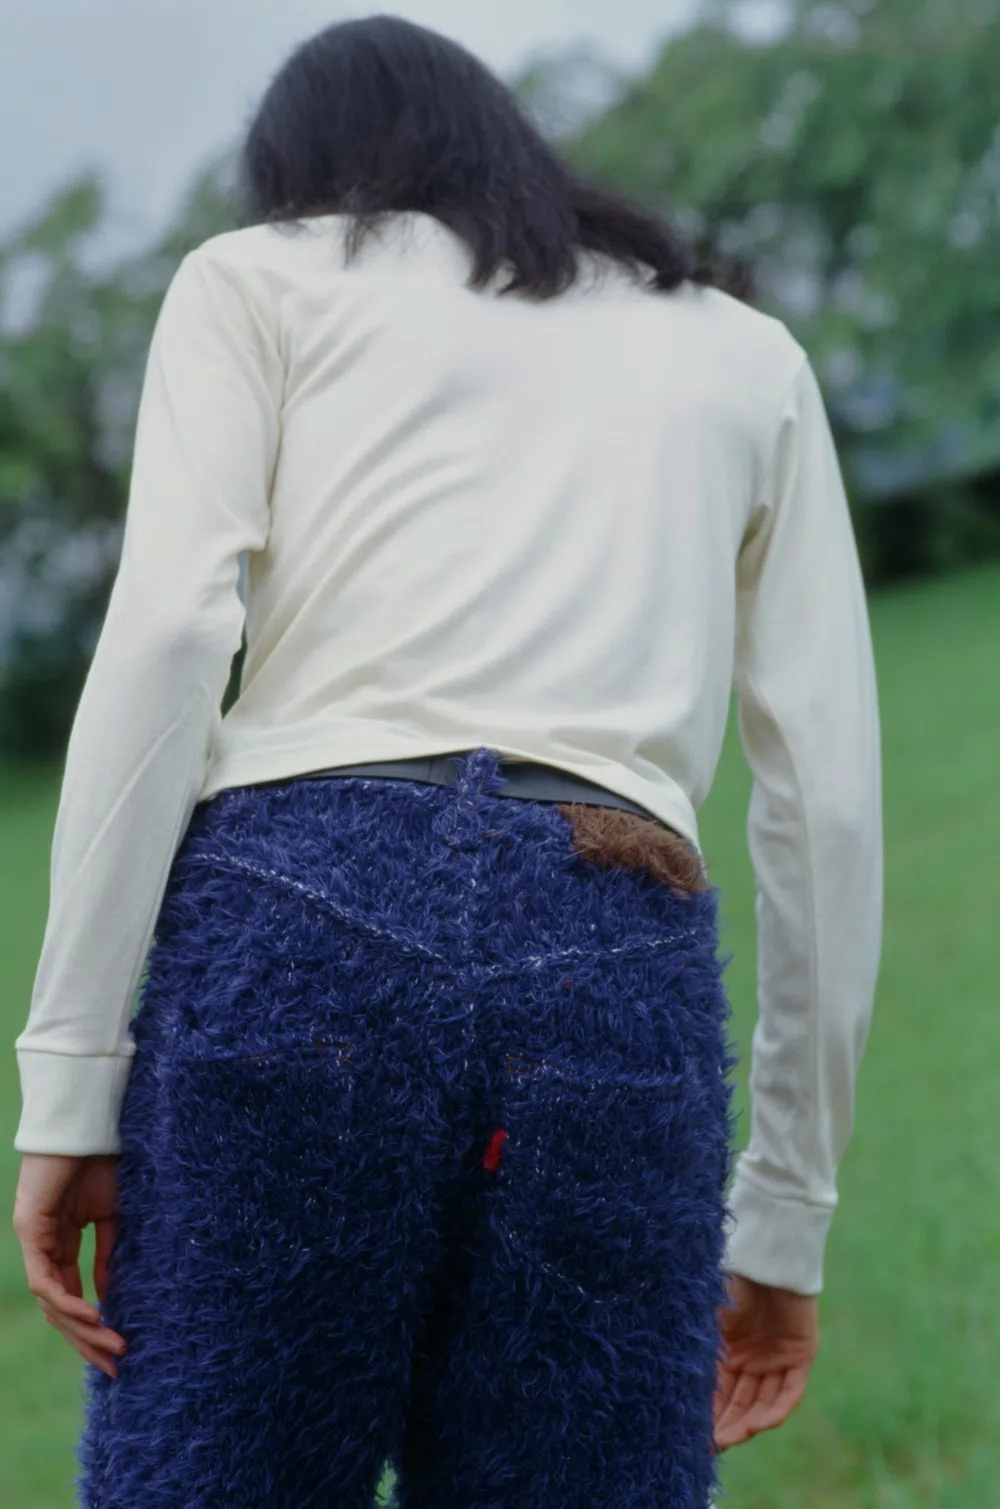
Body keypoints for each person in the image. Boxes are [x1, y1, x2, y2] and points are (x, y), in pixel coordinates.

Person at [11, 14, 883, 1509]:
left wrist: (72, 1085)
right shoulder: (747, 356)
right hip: (616, 934)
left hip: (292, 917)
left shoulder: (256, 278)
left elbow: (167, 639)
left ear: (306, 177)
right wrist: (787, 1217)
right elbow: (834, 802)